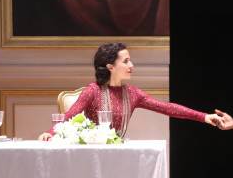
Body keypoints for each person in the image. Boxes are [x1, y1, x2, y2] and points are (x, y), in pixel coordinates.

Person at [38, 42, 219, 141]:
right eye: (126, 61)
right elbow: (69, 116)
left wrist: (204, 117)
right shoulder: (92, 91)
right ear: (110, 66)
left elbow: (167, 108)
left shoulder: (133, 94)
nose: (131, 65)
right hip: (90, 157)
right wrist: (49, 133)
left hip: (120, 154)